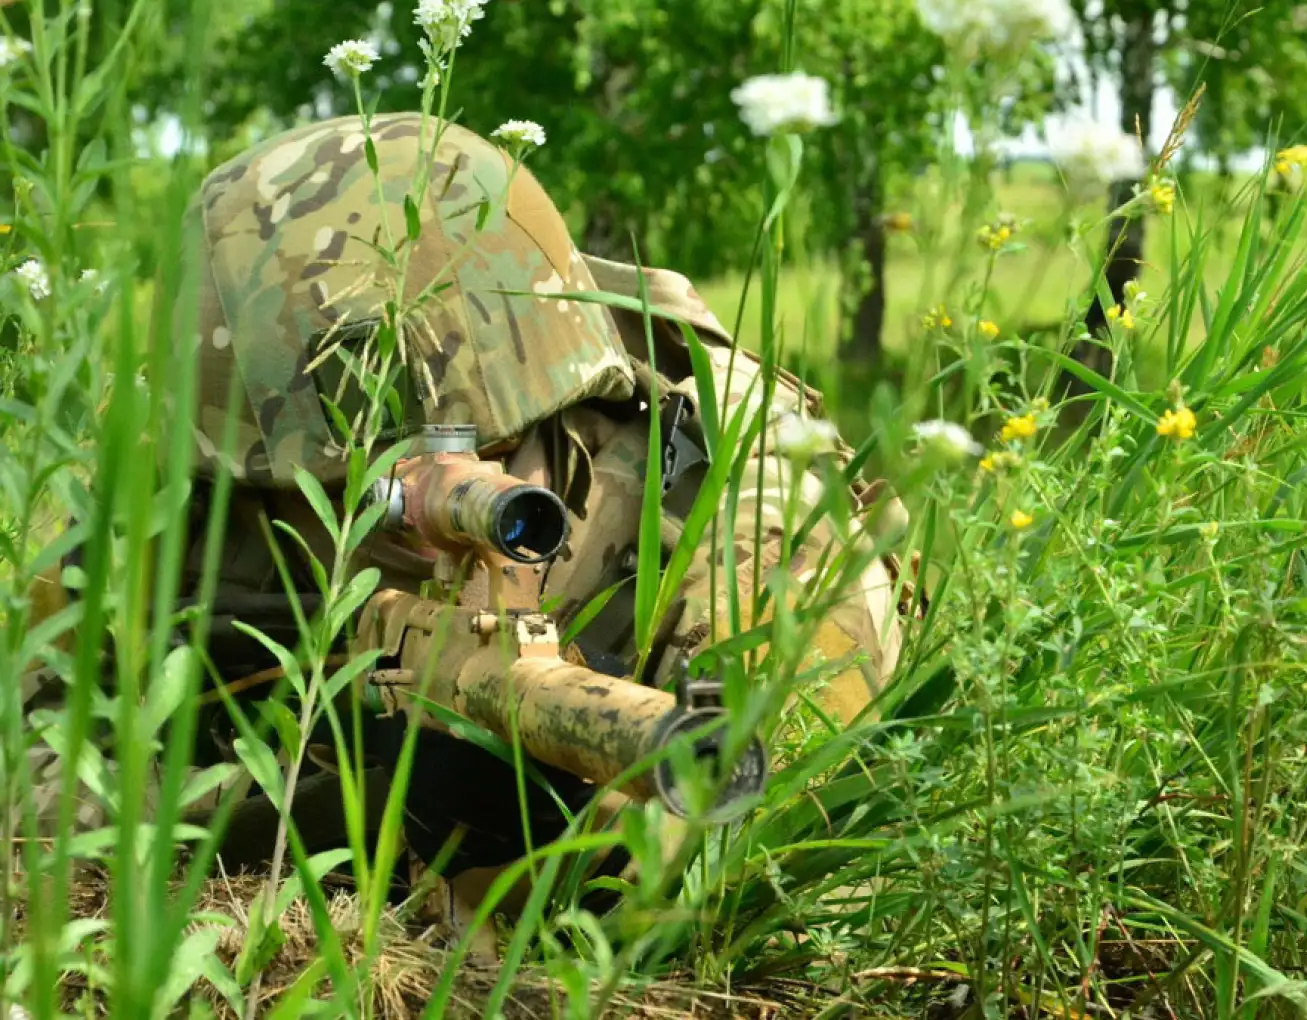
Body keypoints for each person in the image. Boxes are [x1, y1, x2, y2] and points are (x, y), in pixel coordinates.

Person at [17, 111, 911, 951]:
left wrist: (551, 835)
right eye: (349, 493)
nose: (419, 528)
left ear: (556, 408)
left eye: (482, 460)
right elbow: (33, 777)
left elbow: (784, 864)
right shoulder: (182, 481)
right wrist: (306, 803)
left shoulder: (758, 517)